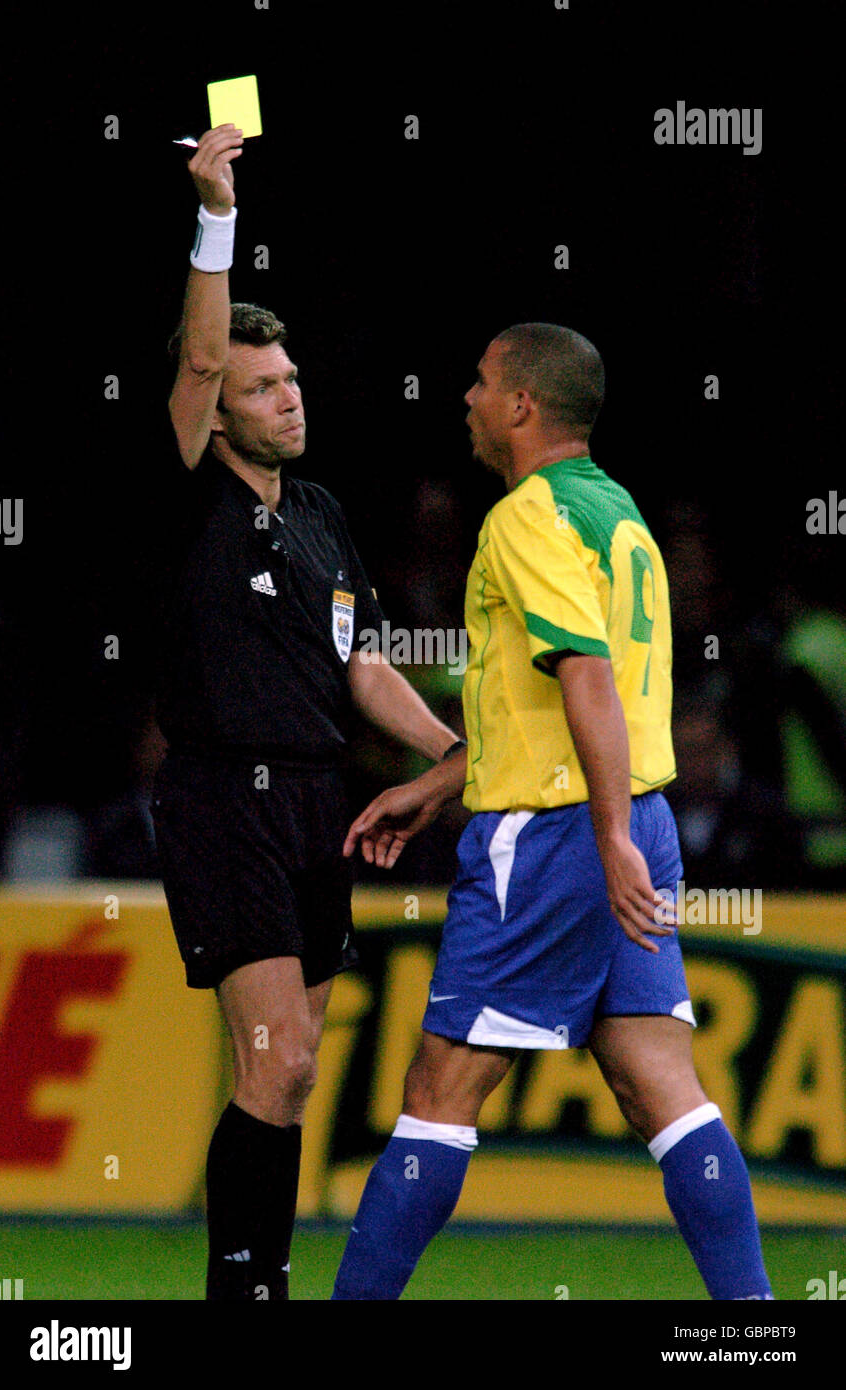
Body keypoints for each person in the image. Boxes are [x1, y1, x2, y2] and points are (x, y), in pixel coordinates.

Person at [332, 323, 773, 1301]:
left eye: (481, 382)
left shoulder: (525, 515)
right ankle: (754, 1324)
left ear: (522, 405)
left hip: (557, 833)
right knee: (658, 1081)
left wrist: (602, 835)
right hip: (636, 819)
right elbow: (555, 699)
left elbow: (583, 676)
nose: (467, 397)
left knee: (437, 1091)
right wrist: (442, 778)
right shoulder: (615, 511)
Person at [152, 124, 466, 1301]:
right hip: (226, 792)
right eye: (261, 388)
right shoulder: (186, 493)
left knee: (291, 1070)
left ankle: (258, 1278)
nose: (288, 399)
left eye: (290, 381)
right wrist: (216, 215)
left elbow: (361, 660)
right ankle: (244, 1287)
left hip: (321, 800)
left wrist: (449, 750)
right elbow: (190, 365)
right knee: (277, 1063)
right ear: (217, 410)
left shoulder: (323, 508)